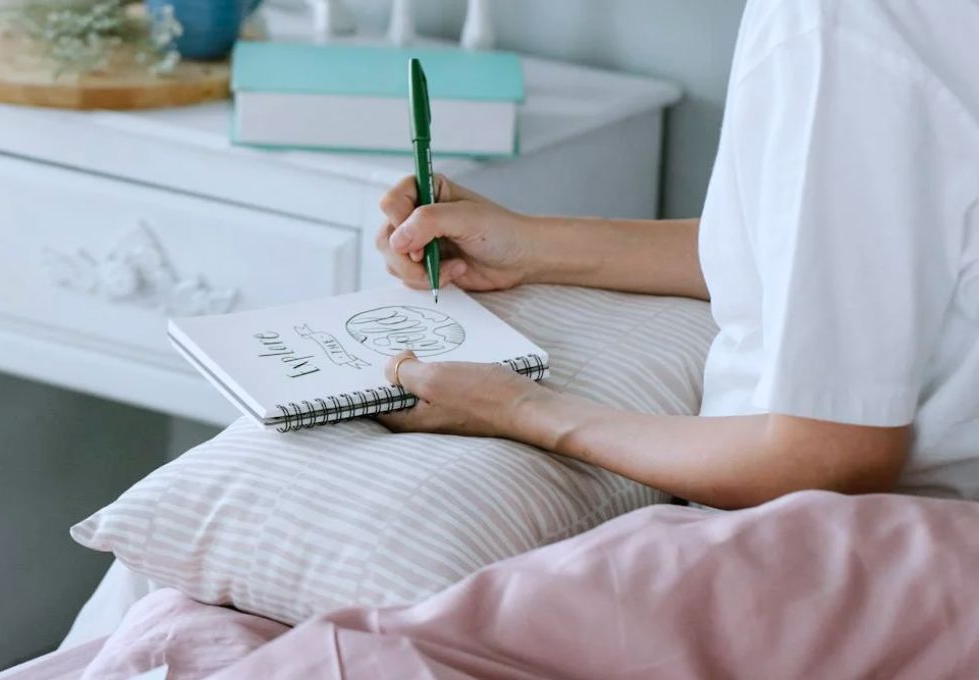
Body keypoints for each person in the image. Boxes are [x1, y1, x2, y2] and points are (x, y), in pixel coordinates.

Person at [373, 0, 979, 509]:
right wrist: (527, 245)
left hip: (853, 542)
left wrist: (519, 408)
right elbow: (801, 256)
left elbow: (830, 460)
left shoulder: (836, 31)